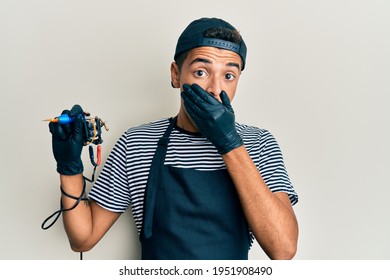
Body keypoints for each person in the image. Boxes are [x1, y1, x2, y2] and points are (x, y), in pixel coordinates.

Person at [49, 17, 299, 260]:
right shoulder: (136, 143)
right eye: (201, 72)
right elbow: (83, 239)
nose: (215, 89)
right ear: (176, 74)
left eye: (228, 76)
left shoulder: (259, 143)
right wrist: (69, 168)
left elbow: (283, 249)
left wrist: (230, 143)